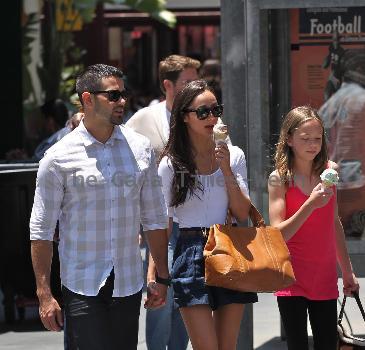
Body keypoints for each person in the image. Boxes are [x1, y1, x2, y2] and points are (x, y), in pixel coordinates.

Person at [29, 64, 169, 350]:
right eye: (113, 95)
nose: (122, 102)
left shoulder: (141, 148)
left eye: (123, 94)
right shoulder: (57, 158)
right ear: (88, 99)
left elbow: (154, 218)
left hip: (128, 282)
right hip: (81, 283)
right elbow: (41, 230)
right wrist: (44, 294)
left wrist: (160, 276)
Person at [158, 79, 257, 350]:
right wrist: (156, 274)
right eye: (203, 112)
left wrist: (226, 170)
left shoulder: (234, 155)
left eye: (216, 110)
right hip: (190, 250)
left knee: (227, 346)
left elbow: (241, 212)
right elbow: (163, 223)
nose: (212, 117)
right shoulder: (170, 164)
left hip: (229, 247)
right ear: (185, 117)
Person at [268, 106, 359, 350]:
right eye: (305, 139)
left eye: (317, 138)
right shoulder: (280, 178)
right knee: (297, 345)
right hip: (291, 277)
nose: (312, 144)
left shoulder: (330, 172)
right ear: (289, 139)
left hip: (325, 275)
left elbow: (334, 222)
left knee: (328, 344)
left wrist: (347, 271)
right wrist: (310, 204)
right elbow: (277, 234)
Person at [126, 54, 200, 350]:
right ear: (168, 85)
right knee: (160, 291)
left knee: (185, 296)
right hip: (159, 222)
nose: (195, 86)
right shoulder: (146, 118)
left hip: (194, 220)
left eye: (199, 80)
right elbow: (123, 155)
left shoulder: (202, 113)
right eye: (188, 82)